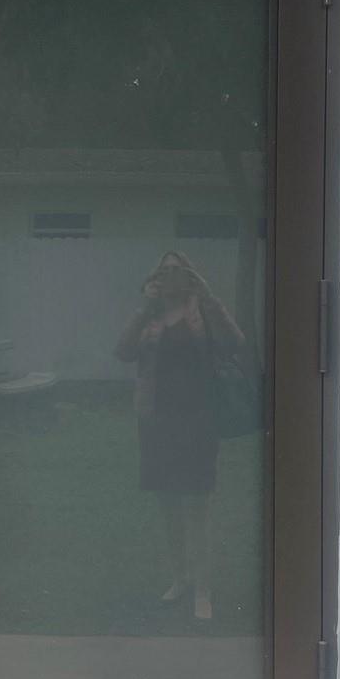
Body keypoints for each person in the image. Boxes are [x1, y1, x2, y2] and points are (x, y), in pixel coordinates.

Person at [114, 251, 245, 621]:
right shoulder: (150, 316)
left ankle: (203, 590)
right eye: (166, 270)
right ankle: (180, 578)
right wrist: (145, 307)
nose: (172, 276)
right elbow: (122, 352)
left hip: (198, 420)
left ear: (190, 276)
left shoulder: (201, 312)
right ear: (156, 278)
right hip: (157, 421)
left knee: (197, 507)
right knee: (168, 504)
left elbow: (234, 343)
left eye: (179, 270)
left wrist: (209, 298)